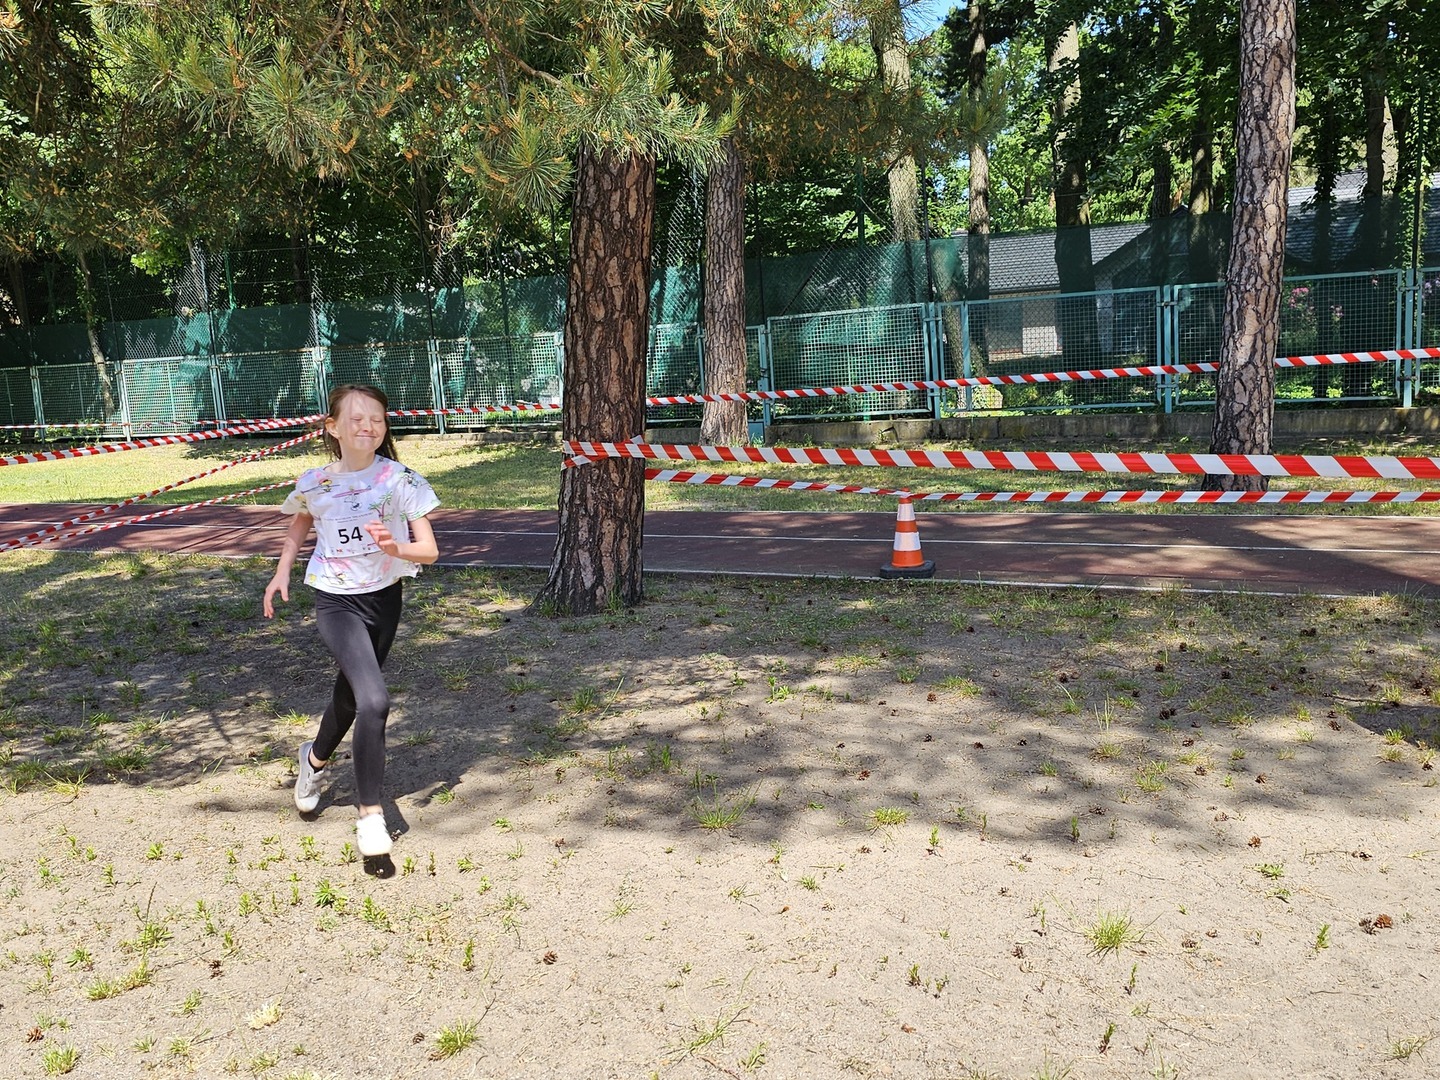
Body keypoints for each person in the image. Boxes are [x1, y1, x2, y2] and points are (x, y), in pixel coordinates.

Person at [262, 384, 440, 857]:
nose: (368, 427)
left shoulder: (401, 479)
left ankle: (314, 758)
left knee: (352, 693)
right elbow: (300, 525)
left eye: (377, 419)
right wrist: (281, 572)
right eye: (357, 419)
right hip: (336, 601)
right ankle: (370, 816)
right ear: (333, 427)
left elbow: (429, 550)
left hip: (384, 600)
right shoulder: (314, 482)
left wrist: (396, 548)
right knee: (375, 700)